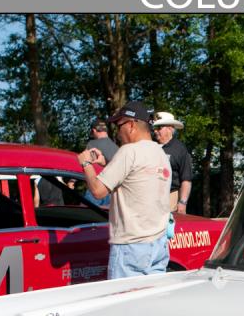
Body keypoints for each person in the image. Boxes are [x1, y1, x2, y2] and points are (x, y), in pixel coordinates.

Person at [77, 99, 172, 279]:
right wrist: (106, 163)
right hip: (158, 245)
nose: (117, 133)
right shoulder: (161, 154)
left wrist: (86, 163)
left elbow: (97, 191)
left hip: (130, 246)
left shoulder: (129, 152)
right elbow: (136, 178)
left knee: (123, 304)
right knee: (148, 303)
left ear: (130, 125)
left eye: (118, 126)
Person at [152, 111, 193, 219]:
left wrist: (182, 202)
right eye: (154, 128)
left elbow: (186, 179)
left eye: (159, 128)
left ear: (170, 128)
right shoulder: (150, 145)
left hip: (171, 197)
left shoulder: (180, 149)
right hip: (150, 197)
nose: (155, 131)